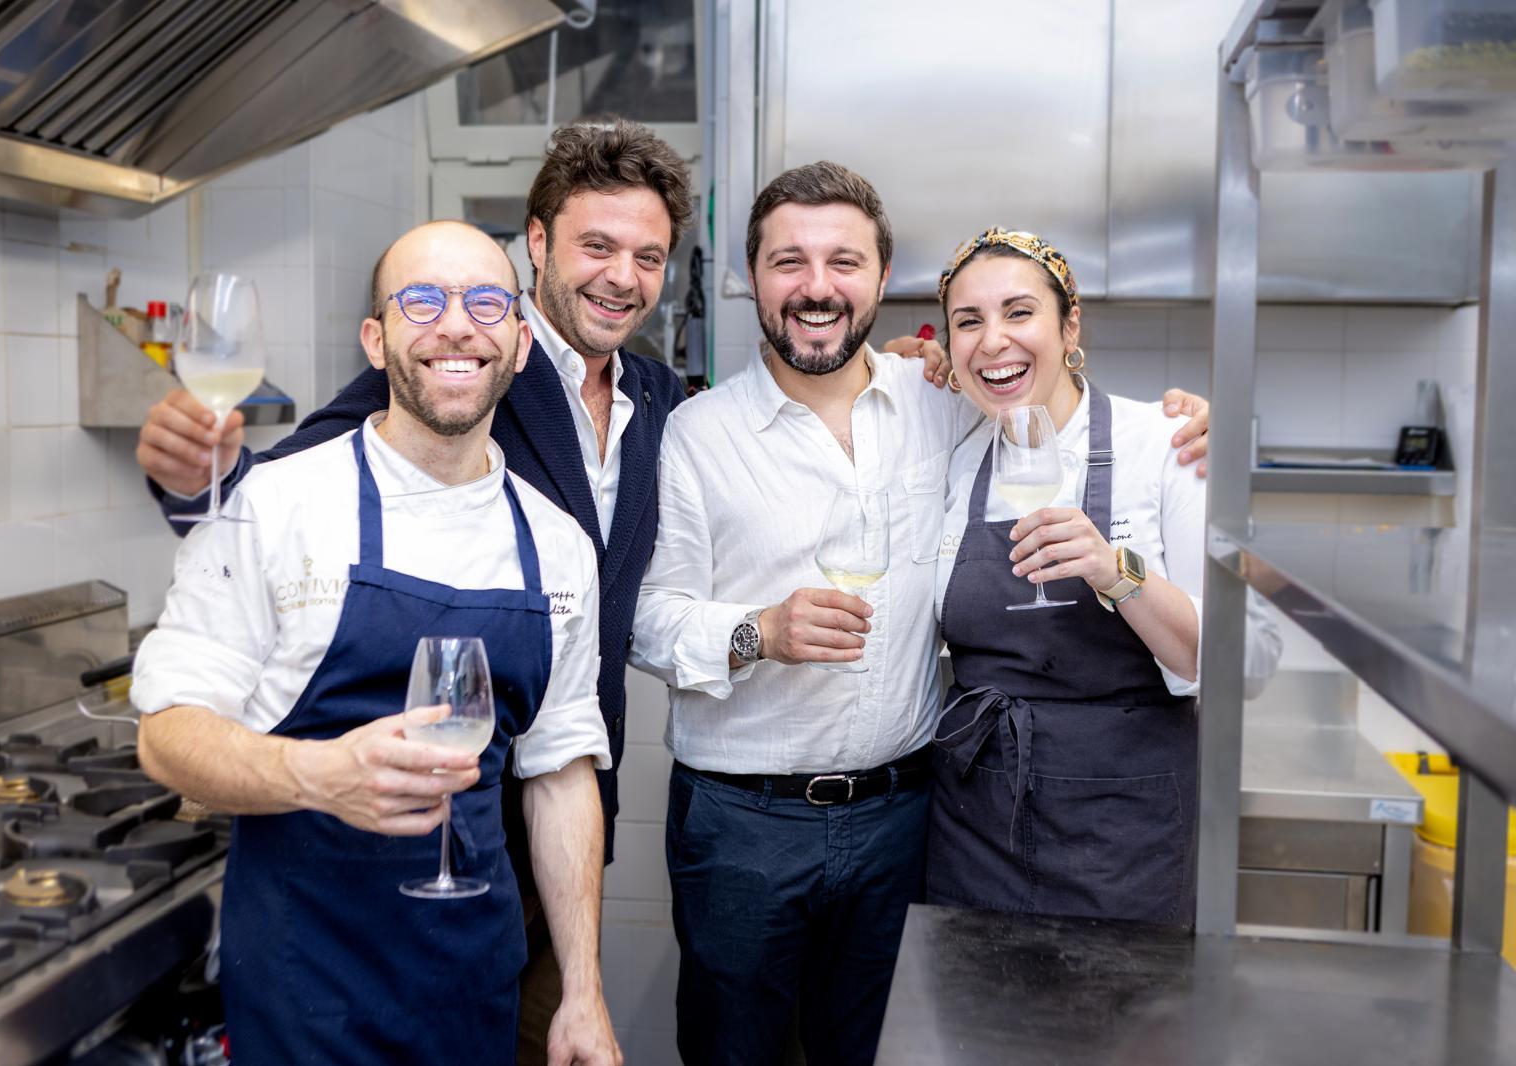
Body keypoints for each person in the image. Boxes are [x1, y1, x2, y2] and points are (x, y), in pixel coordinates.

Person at [628, 165, 1215, 1066]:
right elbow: (652, 620)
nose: (817, 286)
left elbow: (1055, 403)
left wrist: (1189, 427)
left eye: (844, 261)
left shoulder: (939, 404)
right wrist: (760, 632)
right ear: (752, 275)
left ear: (880, 275)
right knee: (735, 1050)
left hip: (907, 814)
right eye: (790, 262)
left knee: (898, 1047)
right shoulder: (699, 432)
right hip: (745, 823)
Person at [134, 119, 692, 1061]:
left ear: (513, 341)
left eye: (648, 256)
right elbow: (172, 719)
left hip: (488, 930)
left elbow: (562, 764)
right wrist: (197, 481)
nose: (456, 325)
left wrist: (586, 991)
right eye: (424, 301)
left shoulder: (646, 417)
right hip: (309, 973)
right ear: (378, 336)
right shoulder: (290, 496)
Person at [925, 228, 1282, 924]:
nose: (993, 340)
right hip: (974, 825)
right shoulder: (953, 453)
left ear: (1071, 325)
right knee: (973, 1028)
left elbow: (1252, 660)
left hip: (1126, 835)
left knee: (1121, 1030)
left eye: (1019, 312)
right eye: (968, 322)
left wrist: (1118, 575)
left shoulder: (1168, 445)